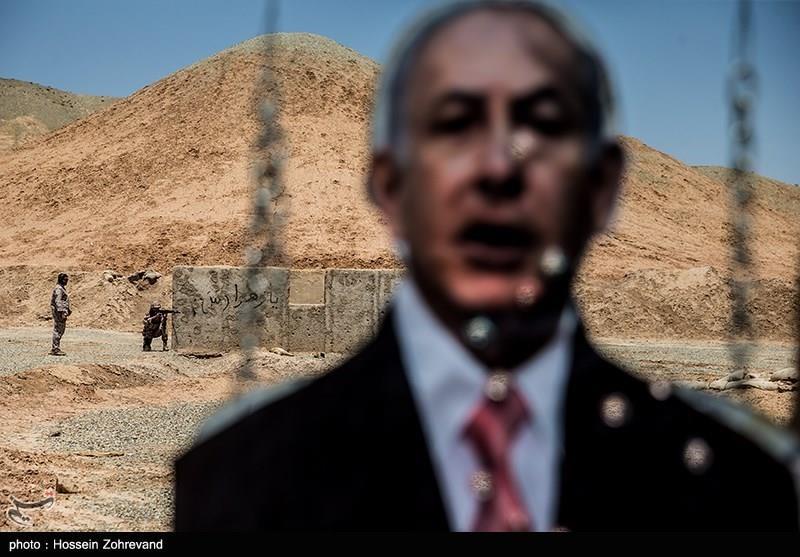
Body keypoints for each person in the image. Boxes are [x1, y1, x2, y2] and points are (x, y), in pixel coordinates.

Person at [175, 0, 799, 531]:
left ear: (602, 188)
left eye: (543, 123)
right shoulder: (240, 481)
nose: (500, 169)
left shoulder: (738, 488)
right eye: (455, 124)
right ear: (390, 188)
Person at [49, 273, 71, 356]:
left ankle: (55, 348)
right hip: (59, 313)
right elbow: (58, 301)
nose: (67, 282)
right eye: (65, 280)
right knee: (58, 330)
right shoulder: (59, 289)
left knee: (60, 330)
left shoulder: (61, 288)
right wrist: (62, 312)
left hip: (60, 312)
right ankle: (55, 349)